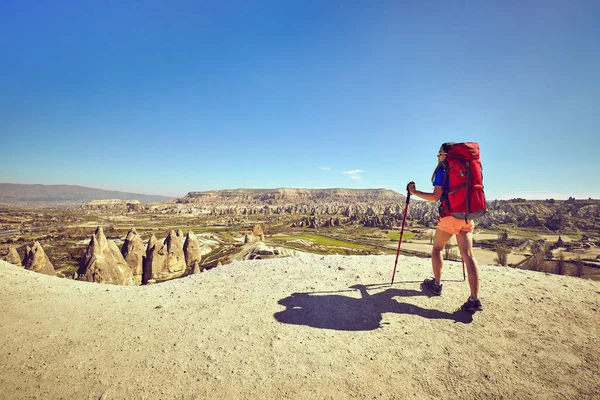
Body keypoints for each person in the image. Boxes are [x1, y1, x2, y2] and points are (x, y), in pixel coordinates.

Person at [407, 143, 483, 312]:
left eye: (439, 153)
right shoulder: (468, 169)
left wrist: (414, 192)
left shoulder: (444, 170)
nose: (438, 156)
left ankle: (436, 284)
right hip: (467, 216)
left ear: (445, 154)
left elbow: (435, 197)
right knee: (468, 255)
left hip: (450, 216)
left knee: (437, 248)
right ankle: (474, 299)